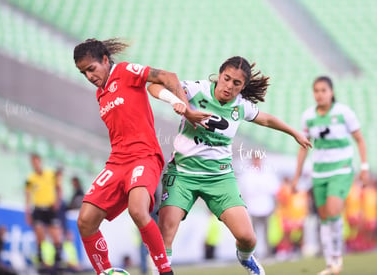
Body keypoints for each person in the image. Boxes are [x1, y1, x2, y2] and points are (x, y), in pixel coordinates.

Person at [148, 56, 312, 275]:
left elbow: (267, 119)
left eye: (237, 83)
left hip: (219, 178)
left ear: (243, 86)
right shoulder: (197, 90)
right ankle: (161, 270)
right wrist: (176, 102)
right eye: (227, 79)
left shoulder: (240, 106)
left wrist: (294, 133)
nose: (229, 86)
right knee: (166, 233)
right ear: (220, 74)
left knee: (247, 238)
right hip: (183, 174)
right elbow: (154, 85)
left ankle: (245, 258)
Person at [73, 38, 208, 275]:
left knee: (137, 209)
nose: (89, 76)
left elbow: (168, 76)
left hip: (144, 156)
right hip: (117, 162)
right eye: (83, 72)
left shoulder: (124, 71)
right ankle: (105, 272)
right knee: (85, 221)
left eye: (91, 69)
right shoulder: (100, 94)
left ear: (105, 60)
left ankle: (165, 271)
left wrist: (186, 109)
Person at [291, 76, 370, 275]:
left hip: (342, 169)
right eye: (316, 90)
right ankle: (330, 262)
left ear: (331, 92)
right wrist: (297, 176)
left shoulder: (344, 113)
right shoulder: (308, 116)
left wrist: (364, 167)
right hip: (319, 172)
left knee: (334, 210)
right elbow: (303, 148)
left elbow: (360, 140)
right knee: (324, 217)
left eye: (323, 90)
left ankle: (336, 255)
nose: (319, 94)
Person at [25, 153, 63, 270]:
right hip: (38, 209)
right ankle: (42, 261)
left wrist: (58, 201)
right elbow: (27, 195)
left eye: (37, 162)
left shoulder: (50, 174)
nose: (35, 164)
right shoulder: (30, 178)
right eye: (33, 162)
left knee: (56, 236)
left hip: (50, 209)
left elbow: (59, 187)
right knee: (39, 234)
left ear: (40, 162)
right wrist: (27, 212)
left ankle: (57, 261)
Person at [239, 155, 281, 259]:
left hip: (266, 207)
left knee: (268, 233)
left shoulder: (268, 173)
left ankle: (269, 254)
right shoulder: (247, 174)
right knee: (253, 234)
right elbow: (245, 190)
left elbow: (274, 188)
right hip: (253, 207)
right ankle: (252, 255)